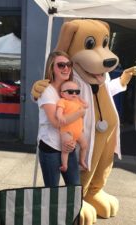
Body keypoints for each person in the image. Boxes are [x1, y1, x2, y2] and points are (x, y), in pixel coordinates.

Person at [37, 51, 85, 187]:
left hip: (68, 146)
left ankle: (72, 210)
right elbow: (56, 122)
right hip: (51, 147)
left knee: (74, 189)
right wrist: (80, 113)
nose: (66, 68)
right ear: (52, 67)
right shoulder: (47, 91)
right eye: (61, 65)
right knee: (53, 192)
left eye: (68, 65)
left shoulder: (70, 89)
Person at [56, 80, 88, 172]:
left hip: (78, 131)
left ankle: (81, 160)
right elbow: (59, 110)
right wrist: (59, 116)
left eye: (77, 92)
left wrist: (80, 97)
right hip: (67, 131)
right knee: (66, 148)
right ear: (62, 94)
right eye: (70, 92)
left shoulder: (77, 101)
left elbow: (86, 105)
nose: (74, 94)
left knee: (84, 145)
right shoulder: (63, 101)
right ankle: (64, 165)